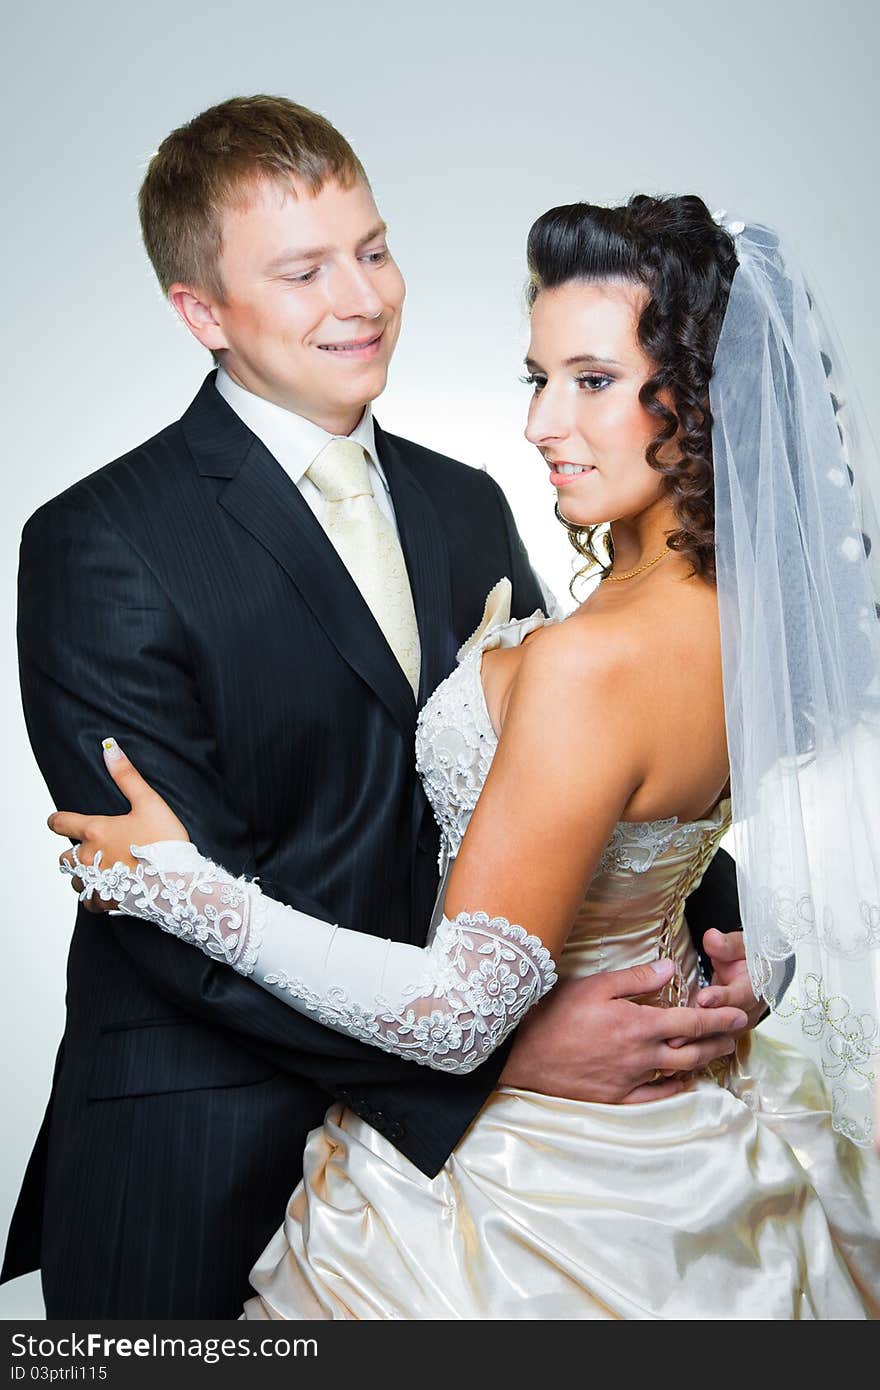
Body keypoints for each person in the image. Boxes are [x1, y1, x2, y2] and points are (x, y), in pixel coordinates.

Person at [51, 195, 880, 1318]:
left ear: (701, 390)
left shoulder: (565, 624)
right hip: (239, 1142)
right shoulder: (733, 627)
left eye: (590, 381)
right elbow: (619, 826)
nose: (542, 422)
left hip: (521, 1191)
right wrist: (736, 959)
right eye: (537, 378)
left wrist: (185, 890)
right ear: (201, 309)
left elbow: (461, 997)